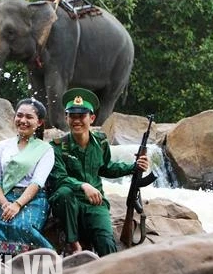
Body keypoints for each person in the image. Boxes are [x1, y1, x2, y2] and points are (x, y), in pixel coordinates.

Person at [48, 88, 150, 256]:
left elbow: (106, 168)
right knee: (63, 193)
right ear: (66, 118)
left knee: (106, 243)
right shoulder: (58, 146)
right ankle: (73, 245)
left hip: (95, 203)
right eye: (72, 116)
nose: (77, 121)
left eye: (82, 116)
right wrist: (83, 186)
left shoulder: (101, 142)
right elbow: (59, 179)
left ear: (92, 118)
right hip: (68, 203)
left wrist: (134, 167)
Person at [0, 98, 55, 255]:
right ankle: (6, 264)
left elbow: (37, 182)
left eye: (29, 117)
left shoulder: (45, 149)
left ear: (39, 123)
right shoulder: (2, 146)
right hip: (6, 197)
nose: (23, 120)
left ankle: (46, 257)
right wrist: (5, 204)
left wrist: (17, 205)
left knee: (22, 225)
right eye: (19, 115)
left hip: (34, 199)